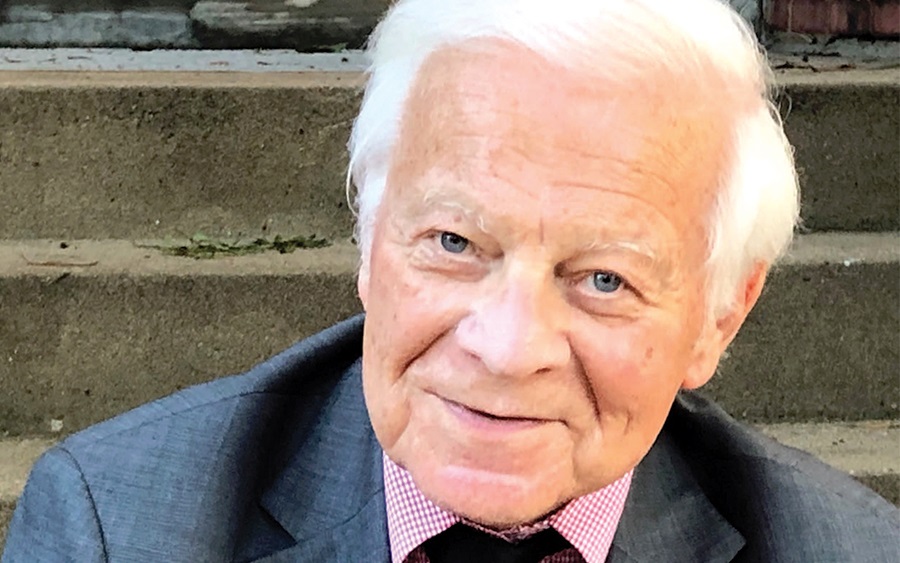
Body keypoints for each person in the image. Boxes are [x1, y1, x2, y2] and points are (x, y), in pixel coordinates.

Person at [4, 0, 898, 562]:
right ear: (369, 244)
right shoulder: (117, 526)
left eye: (603, 279)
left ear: (718, 318)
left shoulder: (846, 548)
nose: (507, 349)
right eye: (454, 241)